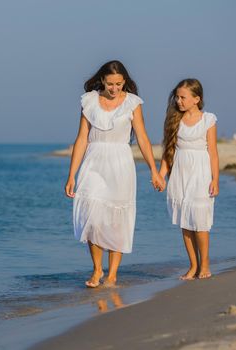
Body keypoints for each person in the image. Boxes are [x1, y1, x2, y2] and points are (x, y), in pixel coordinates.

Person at [65, 60, 163, 288]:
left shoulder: (133, 103)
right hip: (93, 162)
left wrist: (154, 170)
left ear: (124, 82)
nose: (114, 88)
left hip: (120, 163)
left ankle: (112, 274)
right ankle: (97, 269)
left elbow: (143, 138)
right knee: (92, 218)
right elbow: (81, 138)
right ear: (102, 81)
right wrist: (71, 175)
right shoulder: (89, 101)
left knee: (117, 221)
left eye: (119, 84)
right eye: (110, 84)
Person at [159, 78, 219, 280]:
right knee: (185, 221)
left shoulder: (208, 119)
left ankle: (205, 264)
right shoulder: (175, 119)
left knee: (200, 221)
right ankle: (193, 266)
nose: (178, 101)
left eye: (183, 97)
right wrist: (160, 175)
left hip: (201, 173)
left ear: (196, 99)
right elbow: (168, 151)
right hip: (180, 173)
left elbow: (213, 152)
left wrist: (215, 180)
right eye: (177, 97)